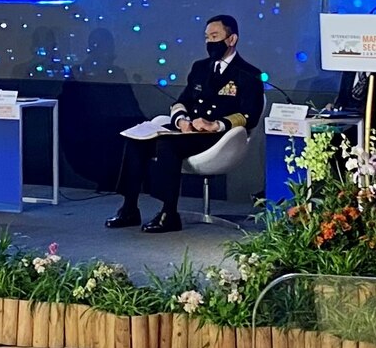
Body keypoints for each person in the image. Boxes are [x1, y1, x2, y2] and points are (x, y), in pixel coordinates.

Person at [107, 14, 264, 233]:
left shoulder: (248, 74)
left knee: (167, 146)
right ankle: (129, 207)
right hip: (189, 130)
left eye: (215, 36)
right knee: (136, 140)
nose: (210, 42)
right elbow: (182, 101)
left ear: (232, 39)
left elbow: (250, 115)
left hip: (218, 136)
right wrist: (181, 120)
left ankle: (168, 213)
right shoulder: (199, 68)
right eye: (207, 37)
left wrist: (215, 124)